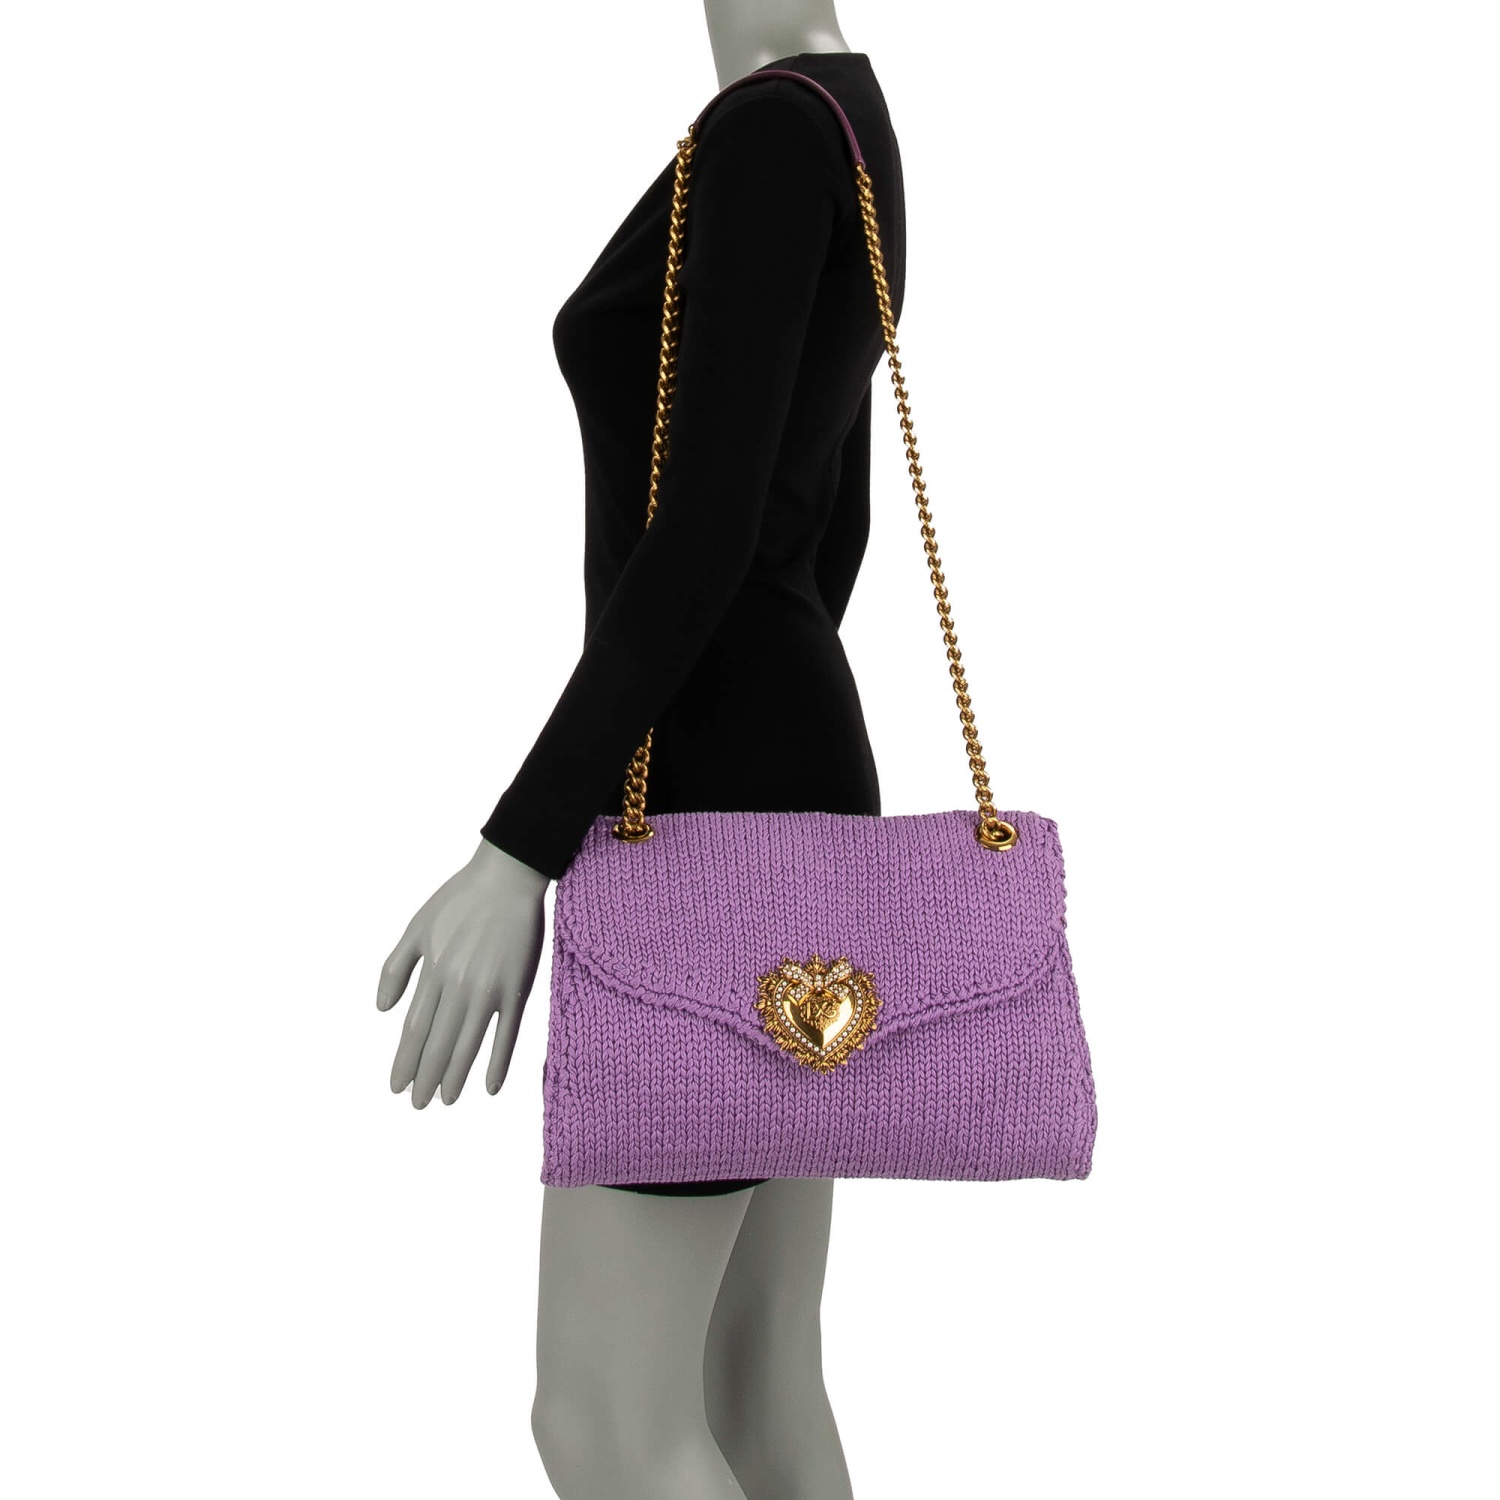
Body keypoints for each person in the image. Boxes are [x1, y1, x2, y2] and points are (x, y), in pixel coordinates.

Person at [377, 4, 904, 1494]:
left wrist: (519, 848)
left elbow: (704, 538)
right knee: (756, 1376)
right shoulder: (846, 111)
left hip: (707, 807)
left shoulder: (768, 133)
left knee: (607, 1421)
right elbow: (827, 514)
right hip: (792, 780)